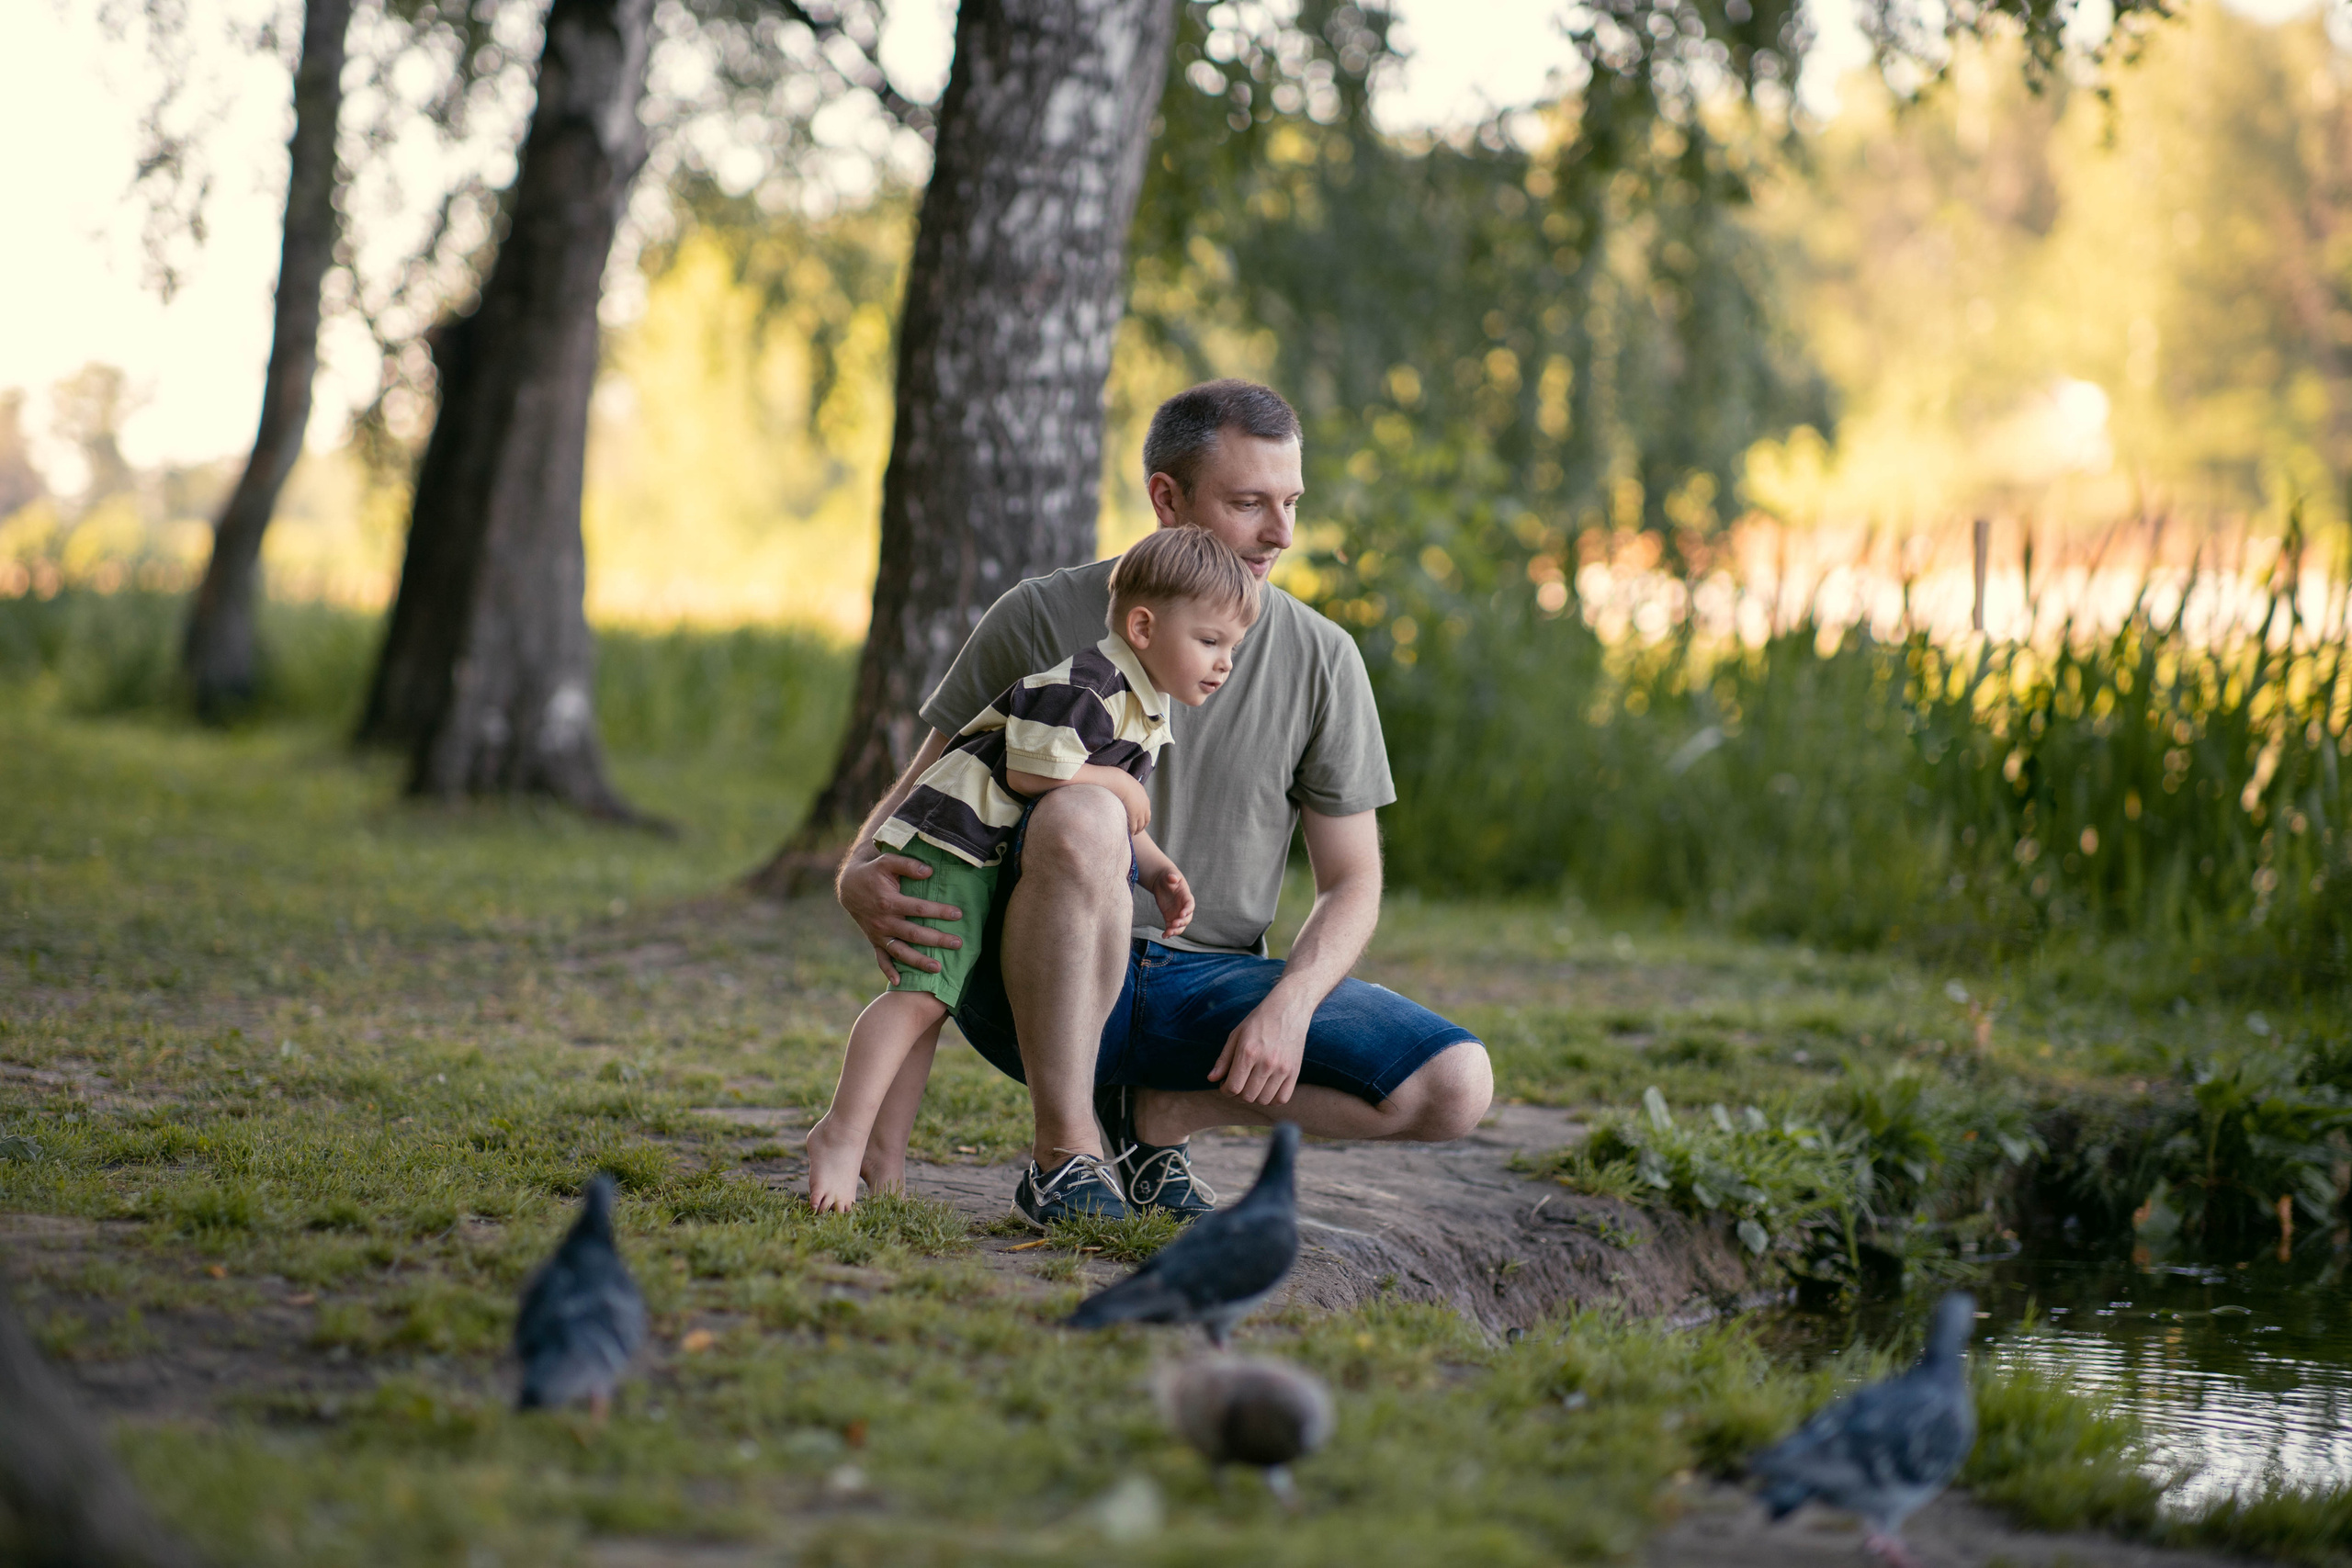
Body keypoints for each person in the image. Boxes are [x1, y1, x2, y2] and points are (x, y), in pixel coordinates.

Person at [837, 378, 1493, 1227]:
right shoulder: (1038, 615)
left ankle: (1162, 1118)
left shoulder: (1324, 656)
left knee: (1454, 1085)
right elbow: (931, 779)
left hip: (1207, 991)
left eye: (1291, 501)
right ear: (1167, 499)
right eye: (1250, 502)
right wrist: (856, 871)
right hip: (1031, 981)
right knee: (1084, 813)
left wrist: (1288, 1007)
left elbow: (1352, 881)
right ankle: (1065, 1152)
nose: (1281, 533)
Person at [804, 526, 1261, 1212]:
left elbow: (1106, 810)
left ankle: (882, 1152)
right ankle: (839, 1134)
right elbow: (1033, 771)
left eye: (1232, 647)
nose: (1224, 662)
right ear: (1142, 625)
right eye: (1209, 641)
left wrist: (1157, 868)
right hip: (952, 836)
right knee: (921, 995)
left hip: (982, 845)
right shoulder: (1088, 684)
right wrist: (1125, 788)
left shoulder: (1145, 703)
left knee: (934, 999)